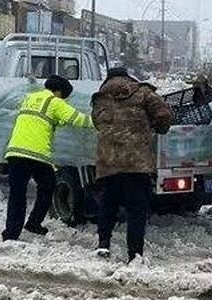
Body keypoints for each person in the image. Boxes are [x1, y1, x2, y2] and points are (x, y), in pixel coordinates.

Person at [91, 67, 173, 263]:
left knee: (108, 205)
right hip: (136, 162)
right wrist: (155, 128)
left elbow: (96, 123)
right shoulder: (143, 92)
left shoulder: (99, 99)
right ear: (128, 77)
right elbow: (164, 115)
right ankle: (134, 254)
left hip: (108, 162)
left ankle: (103, 244)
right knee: (137, 209)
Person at [1, 74, 94, 241]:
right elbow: (78, 119)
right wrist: (100, 122)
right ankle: (34, 222)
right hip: (37, 155)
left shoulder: (30, 98)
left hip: (15, 152)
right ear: (59, 92)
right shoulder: (55, 102)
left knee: (17, 195)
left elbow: (39, 120)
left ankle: (11, 234)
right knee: (48, 187)